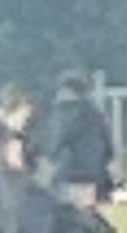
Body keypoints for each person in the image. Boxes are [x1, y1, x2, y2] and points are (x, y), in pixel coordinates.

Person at [40, 72, 116, 210]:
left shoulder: (62, 113)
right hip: (95, 171)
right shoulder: (96, 113)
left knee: (72, 212)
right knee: (89, 210)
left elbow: (54, 143)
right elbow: (109, 147)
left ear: (66, 90)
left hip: (70, 171)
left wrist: (48, 158)